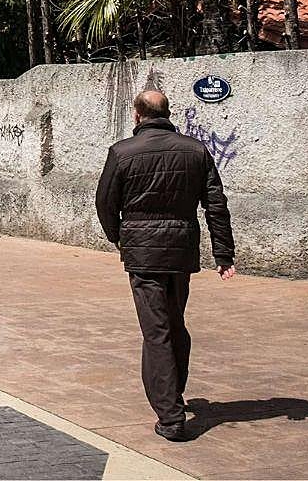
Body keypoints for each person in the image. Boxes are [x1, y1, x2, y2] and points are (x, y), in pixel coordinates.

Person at [95, 89, 236, 443]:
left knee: (156, 329)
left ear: (137, 115)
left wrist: (120, 238)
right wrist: (223, 254)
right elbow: (215, 205)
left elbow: (105, 203)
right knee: (173, 323)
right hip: (180, 251)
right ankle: (173, 392)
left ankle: (171, 416)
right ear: (167, 113)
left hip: (143, 254)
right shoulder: (195, 150)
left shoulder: (122, 152)